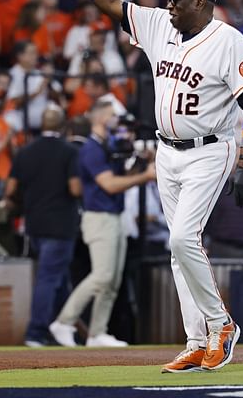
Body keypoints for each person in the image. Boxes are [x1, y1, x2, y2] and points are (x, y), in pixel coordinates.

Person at [40, 0, 243, 371]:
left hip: (208, 150)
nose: (168, 5)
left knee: (184, 239)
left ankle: (221, 326)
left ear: (200, 3)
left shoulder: (228, 40)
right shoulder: (162, 25)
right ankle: (196, 340)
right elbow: (109, 3)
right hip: (167, 151)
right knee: (176, 250)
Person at [48, 101, 155, 348]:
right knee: (102, 275)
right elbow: (109, 184)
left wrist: (140, 165)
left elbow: (121, 179)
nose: (116, 120)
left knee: (113, 280)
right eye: (112, 116)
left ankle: (97, 332)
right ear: (99, 119)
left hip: (114, 215)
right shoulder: (91, 149)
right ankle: (64, 322)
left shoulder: (107, 147)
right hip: (99, 218)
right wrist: (146, 176)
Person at [5, 108, 81, 347]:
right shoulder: (70, 151)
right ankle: (35, 332)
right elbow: (75, 189)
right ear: (63, 126)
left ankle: (63, 328)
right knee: (49, 278)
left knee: (59, 280)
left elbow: (10, 190)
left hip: (34, 225)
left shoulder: (25, 151)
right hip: (60, 224)